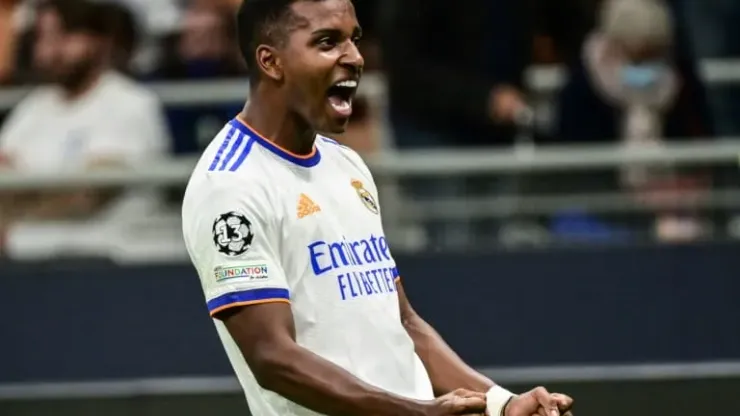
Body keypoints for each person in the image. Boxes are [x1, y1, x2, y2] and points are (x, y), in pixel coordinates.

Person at [181, 1, 574, 416]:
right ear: (271, 61)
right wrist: (414, 413)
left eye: (354, 39)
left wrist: (501, 403)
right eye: (328, 42)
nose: (354, 57)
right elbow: (273, 359)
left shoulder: (346, 164)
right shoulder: (231, 185)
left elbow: (402, 323)